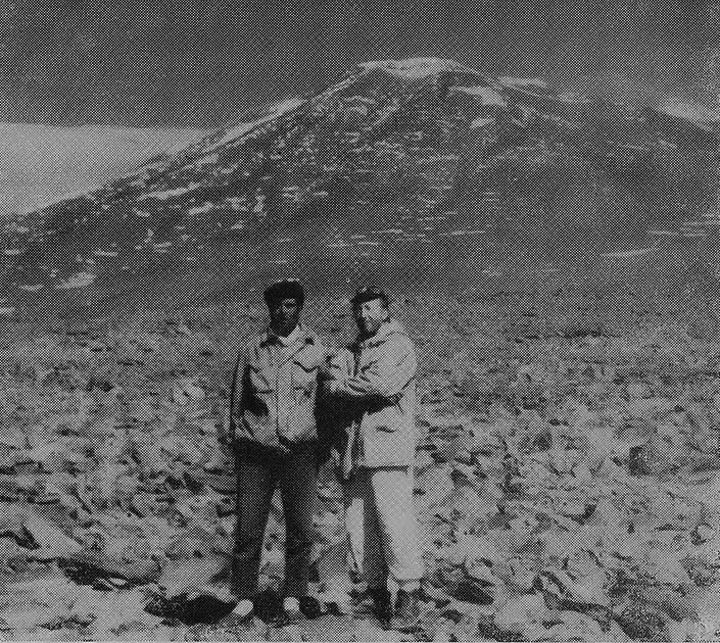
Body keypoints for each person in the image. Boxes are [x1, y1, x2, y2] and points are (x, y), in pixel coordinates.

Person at [323, 286, 424, 630]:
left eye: (370, 308)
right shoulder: (350, 351)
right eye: (359, 309)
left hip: (388, 446)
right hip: (355, 448)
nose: (363, 315)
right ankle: (376, 590)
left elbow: (382, 385)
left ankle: (409, 591)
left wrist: (341, 386)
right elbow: (329, 384)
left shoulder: (400, 346)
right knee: (359, 522)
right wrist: (342, 385)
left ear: (385, 310)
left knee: (394, 520)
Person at [225, 278, 325, 625]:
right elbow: (237, 403)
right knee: (249, 527)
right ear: (269, 308)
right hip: (257, 452)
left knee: (300, 528)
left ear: (300, 308)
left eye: (290, 304)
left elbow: (325, 403)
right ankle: (243, 596)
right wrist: (239, 442)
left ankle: (294, 594)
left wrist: (320, 446)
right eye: (277, 305)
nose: (283, 311)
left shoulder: (316, 349)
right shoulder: (251, 349)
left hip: (300, 451)